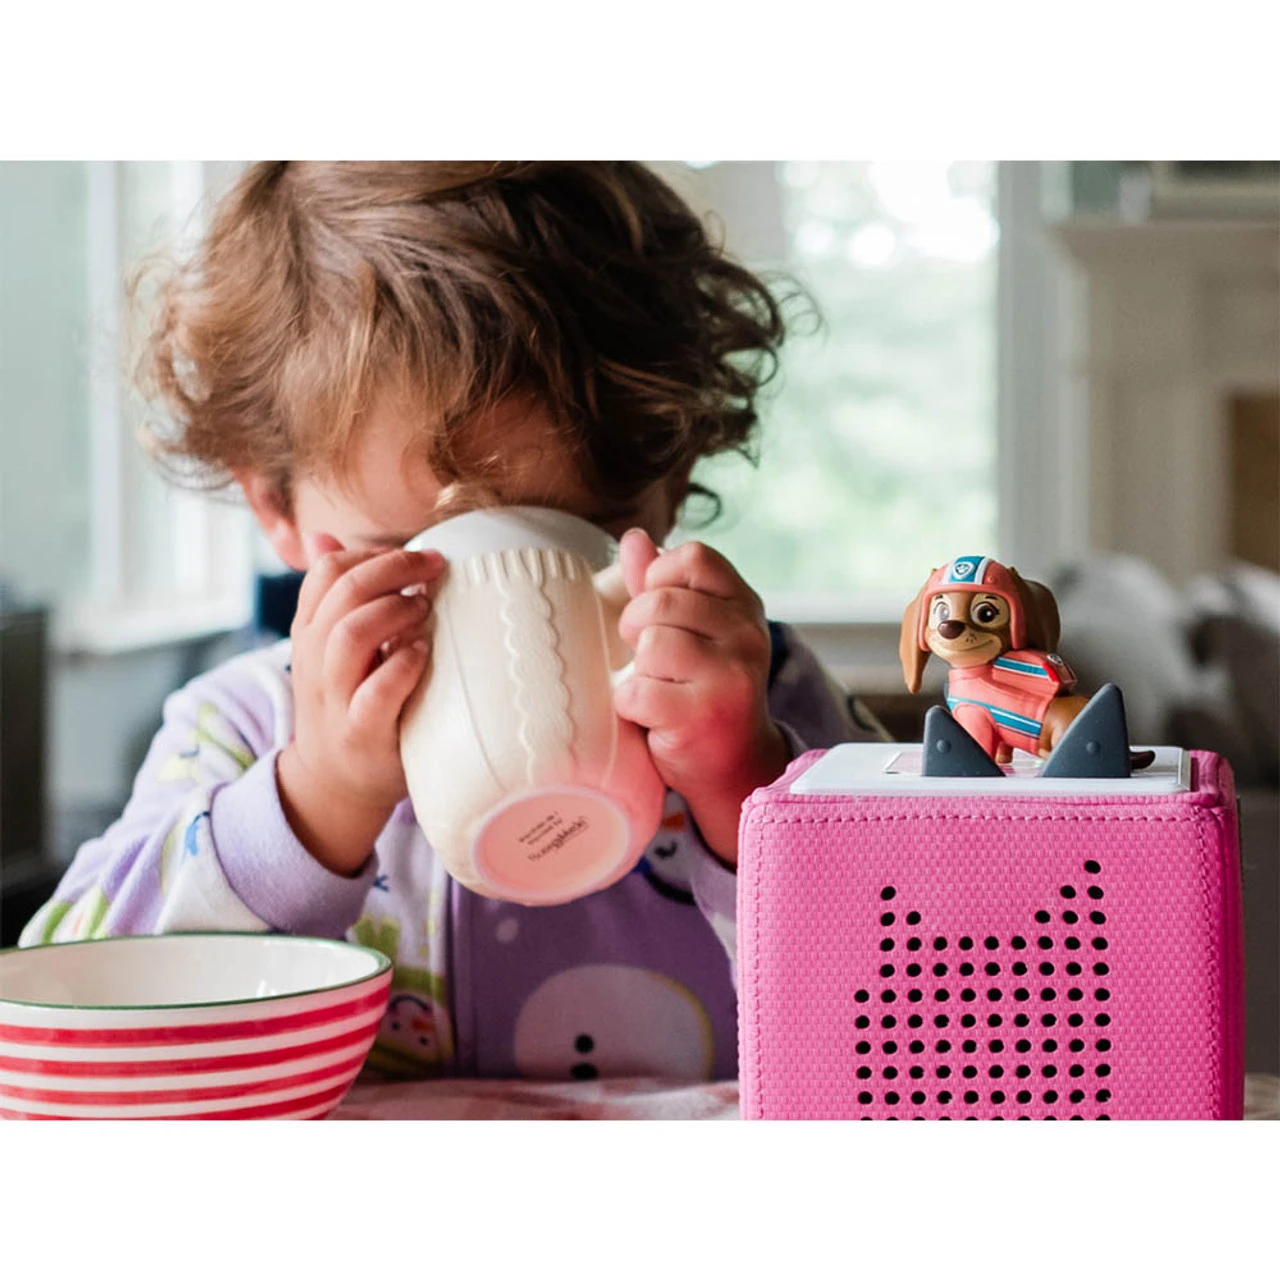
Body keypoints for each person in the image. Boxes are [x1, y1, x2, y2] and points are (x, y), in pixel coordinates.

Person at [21, 162, 886, 1080]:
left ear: (672, 480)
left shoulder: (759, 696)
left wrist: (746, 788)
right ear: (276, 506)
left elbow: (930, 996)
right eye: (411, 552)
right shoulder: (244, 727)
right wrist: (314, 801)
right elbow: (71, 1006)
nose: (500, 613)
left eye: (579, 533)